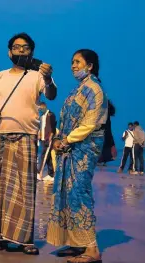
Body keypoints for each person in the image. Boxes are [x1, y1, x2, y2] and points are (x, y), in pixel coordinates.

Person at [0, 32, 57, 255]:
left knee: (25, 188)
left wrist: (48, 78)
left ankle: (26, 240)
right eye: (17, 47)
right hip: (1, 137)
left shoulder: (38, 75)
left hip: (26, 137)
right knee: (0, 187)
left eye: (26, 47)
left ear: (32, 52)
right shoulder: (0, 76)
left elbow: (51, 94)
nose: (21, 50)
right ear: (9, 51)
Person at [47, 49, 108, 263]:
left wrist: (65, 141)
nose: (73, 65)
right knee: (66, 193)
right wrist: (58, 140)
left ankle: (92, 249)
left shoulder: (94, 90)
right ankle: (76, 243)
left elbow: (90, 124)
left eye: (78, 62)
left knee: (79, 194)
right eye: (72, 62)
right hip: (69, 149)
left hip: (83, 150)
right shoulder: (78, 89)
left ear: (89, 66)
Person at [37, 102, 57, 182]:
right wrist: (39, 134)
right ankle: (51, 174)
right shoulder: (41, 116)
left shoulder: (51, 115)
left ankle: (39, 173)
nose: (40, 110)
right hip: (43, 138)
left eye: (41, 108)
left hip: (48, 138)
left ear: (44, 107)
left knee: (43, 156)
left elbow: (53, 127)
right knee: (48, 157)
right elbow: (41, 127)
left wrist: (51, 135)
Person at [97, 100, 116, 166]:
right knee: (106, 145)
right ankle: (104, 161)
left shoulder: (103, 110)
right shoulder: (108, 110)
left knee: (101, 146)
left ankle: (100, 161)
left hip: (103, 128)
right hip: (107, 129)